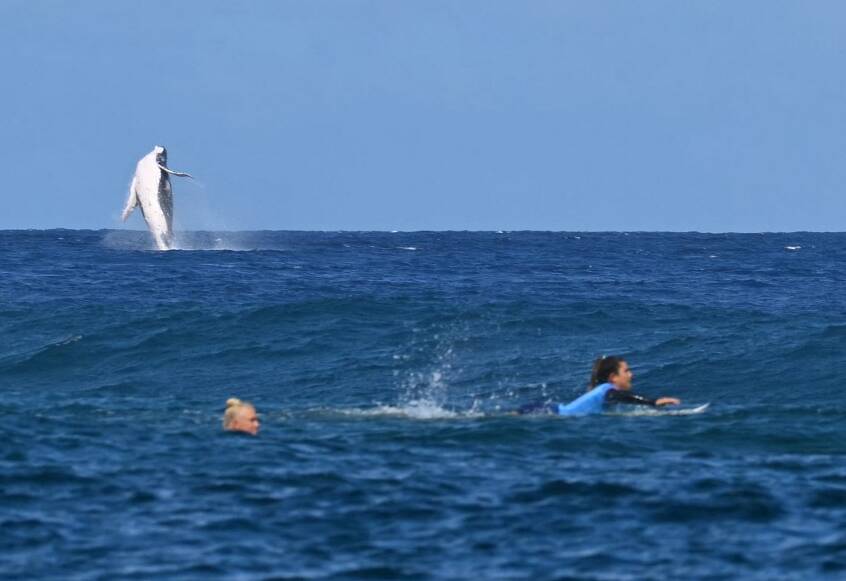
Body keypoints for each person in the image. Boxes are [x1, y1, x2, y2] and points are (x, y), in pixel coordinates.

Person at [519, 356, 680, 416]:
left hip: (549, 409)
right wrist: (652, 402)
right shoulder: (607, 391)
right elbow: (621, 397)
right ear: (613, 377)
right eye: (626, 371)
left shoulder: (602, 391)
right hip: (546, 412)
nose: (631, 375)